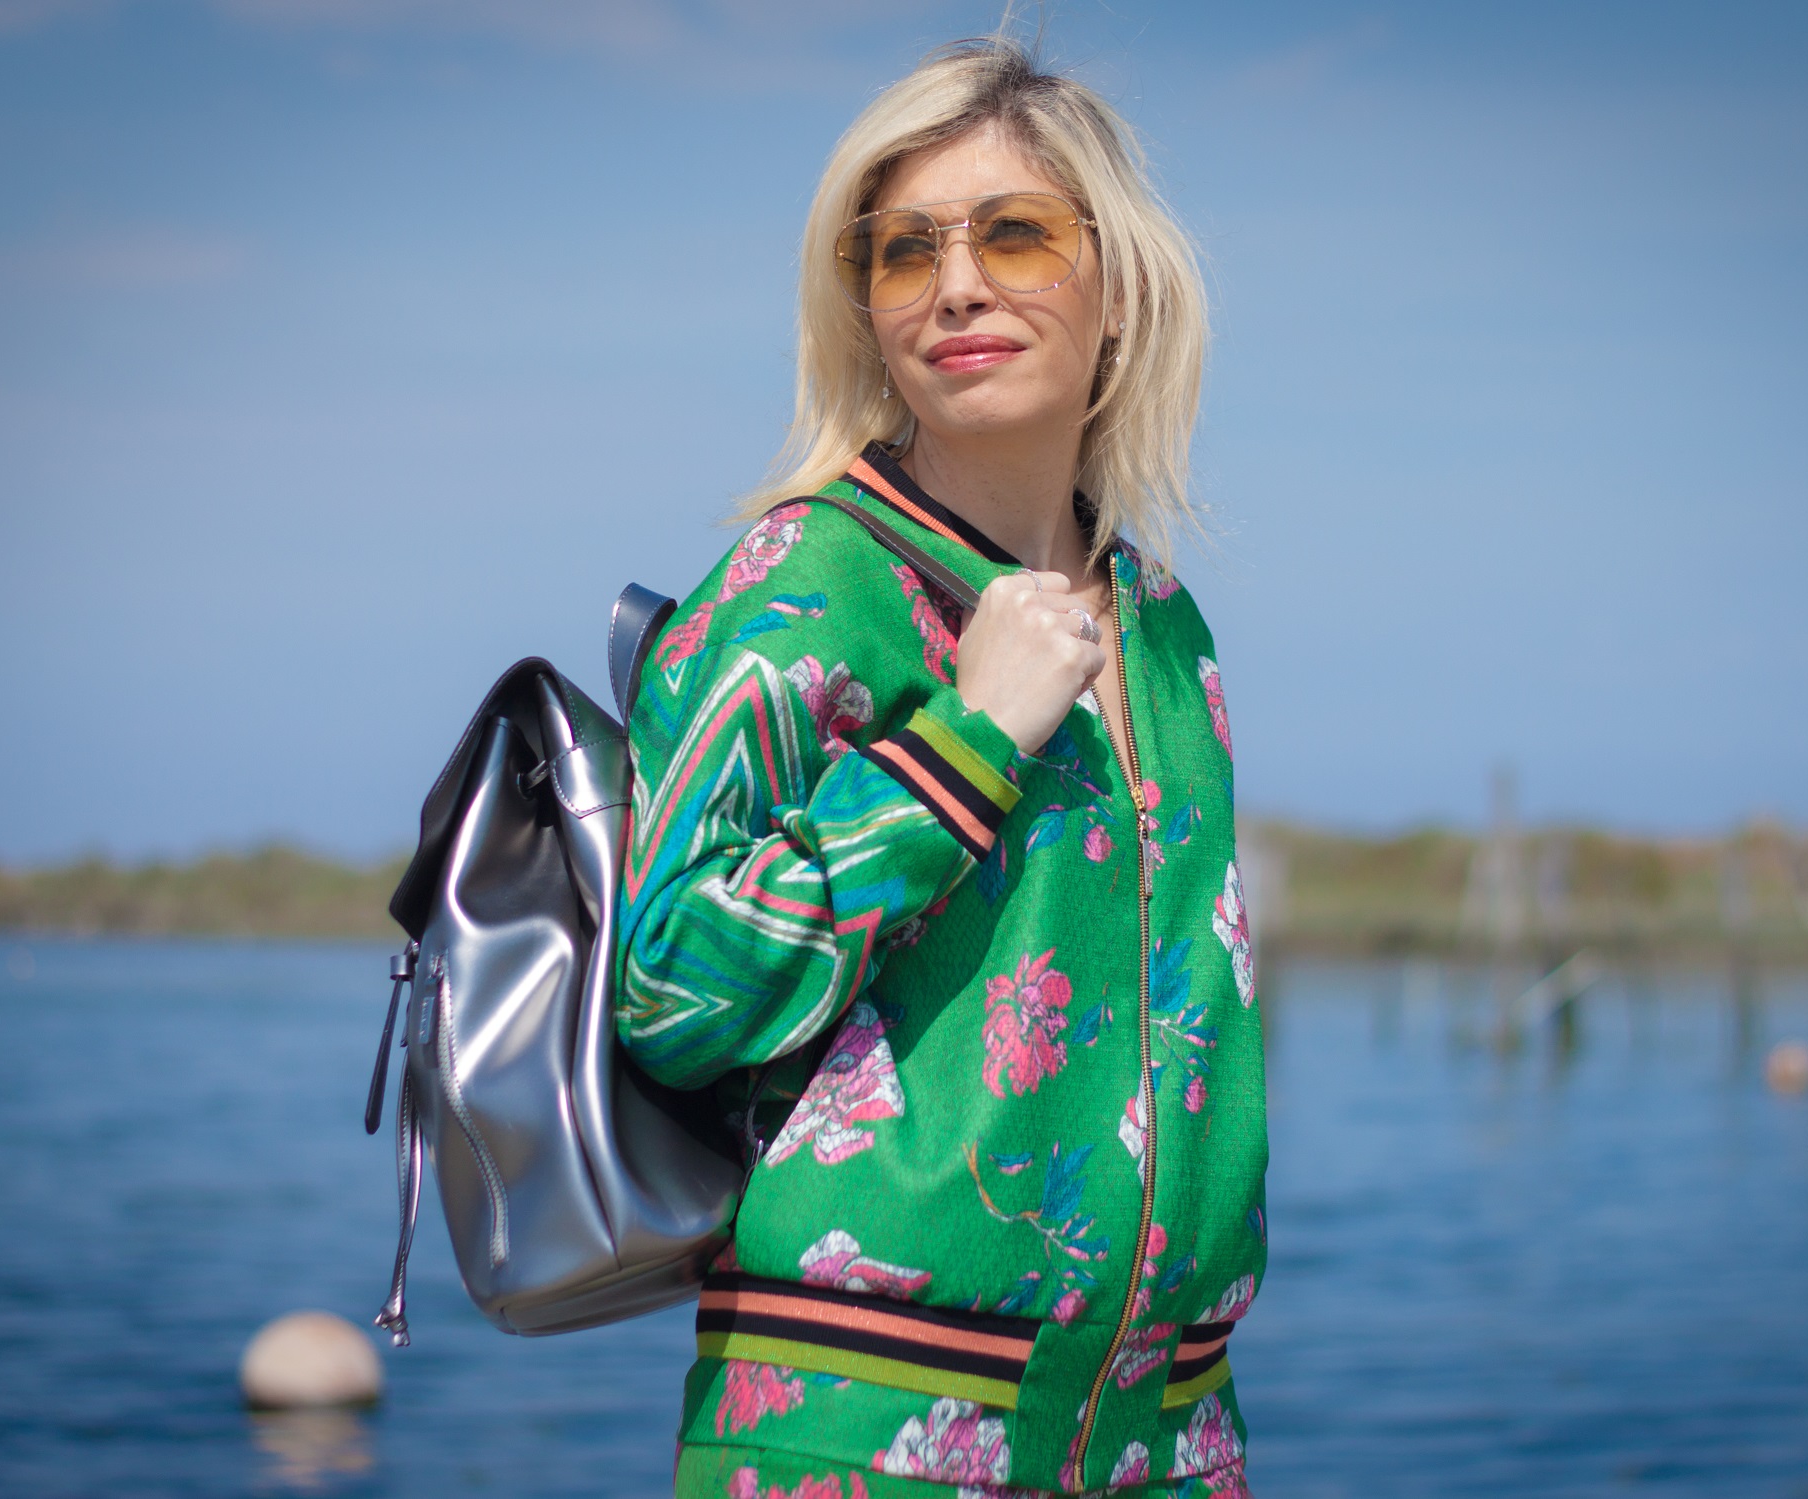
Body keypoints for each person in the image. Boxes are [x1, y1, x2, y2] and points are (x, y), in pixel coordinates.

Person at [617, 36, 1264, 1499]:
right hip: (860, 1424)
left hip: (1168, 1434)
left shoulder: (1167, 627)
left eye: (1014, 235)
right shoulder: (808, 581)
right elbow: (672, 991)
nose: (956, 286)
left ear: (1119, 284)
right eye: (904, 251)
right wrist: (964, 746)